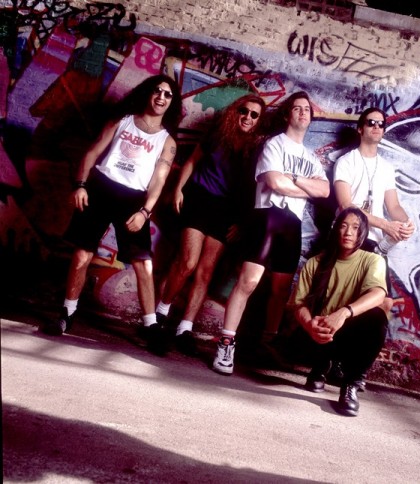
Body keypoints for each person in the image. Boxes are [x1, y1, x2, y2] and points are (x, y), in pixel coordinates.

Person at [42, 74, 182, 336]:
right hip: (102, 188)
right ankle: (67, 313)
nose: (161, 97)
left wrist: (144, 211)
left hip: (133, 200)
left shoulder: (168, 142)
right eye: (157, 91)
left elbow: (158, 181)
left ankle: (151, 325)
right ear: (148, 93)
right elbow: (93, 151)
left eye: (167, 94)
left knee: (143, 264)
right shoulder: (122, 121)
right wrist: (81, 185)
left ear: (172, 102)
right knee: (82, 254)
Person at [212, 91, 330, 375]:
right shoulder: (273, 145)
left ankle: (266, 346)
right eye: (297, 108)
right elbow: (274, 183)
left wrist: (293, 179)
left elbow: (324, 192)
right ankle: (226, 343)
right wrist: (303, 187)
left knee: (279, 291)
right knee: (248, 282)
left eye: (307, 110)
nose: (303, 112)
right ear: (288, 114)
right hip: (267, 217)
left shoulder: (312, 158)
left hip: (292, 224)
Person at [148, 94, 266, 356]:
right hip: (199, 200)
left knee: (205, 272)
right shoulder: (216, 135)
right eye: (244, 111)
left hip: (227, 212)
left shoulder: (257, 149)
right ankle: (161, 314)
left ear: (259, 121)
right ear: (236, 111)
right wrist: (179, 189)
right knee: (187, 262)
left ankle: (185, 328)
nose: (247, 117)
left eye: (254, 115)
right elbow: (191, 162)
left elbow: (255, 189)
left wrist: (242, 222)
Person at [332, 107, 415, 389]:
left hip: (375, 245)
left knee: (382, 304)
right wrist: (386, 225)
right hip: (350, 239)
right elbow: (347, 207)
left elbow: (394, 206)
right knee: (347, 300)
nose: (377, 127)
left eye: (381, 124)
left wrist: (403, 223)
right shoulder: (346, 162)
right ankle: (336, 361)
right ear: (360, 128)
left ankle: (354, 370)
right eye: (371, 123)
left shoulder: (386, 167)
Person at [290, 207, 388, 416]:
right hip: (316, 335)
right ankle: (319, 367)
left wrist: (343, 313)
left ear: (363, 232)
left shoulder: (372, 261)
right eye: (343, 226)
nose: (348, 232)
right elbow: (298, 305)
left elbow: (379, 294)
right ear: (335, 230)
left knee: (377, 318)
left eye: (355, 228)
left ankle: (351, 384)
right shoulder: (315, 263)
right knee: (293, 341)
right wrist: (310, 326)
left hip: (348, 336)